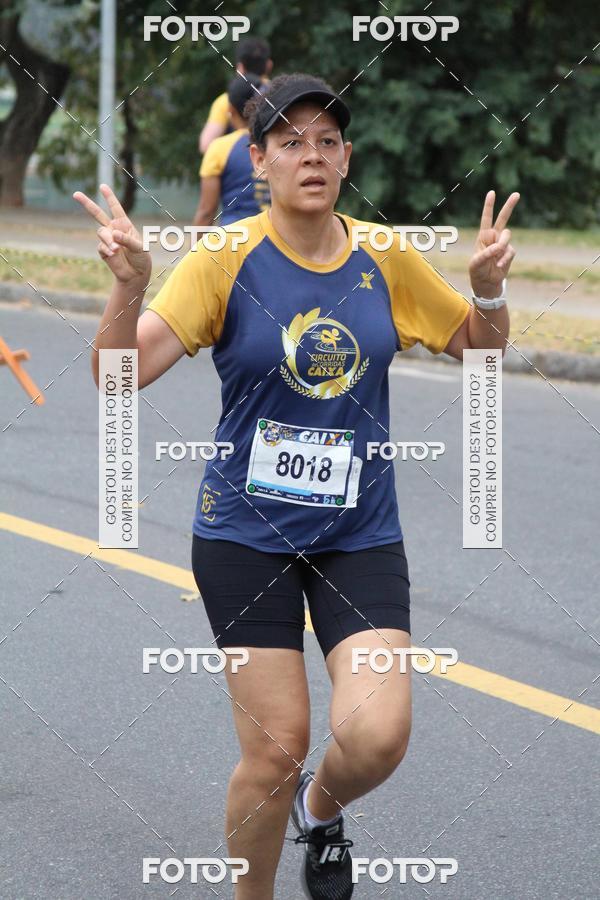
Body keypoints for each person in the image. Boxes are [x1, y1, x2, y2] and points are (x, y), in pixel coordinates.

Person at [74, 72, 518, 900]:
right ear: (258, 160)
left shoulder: (384, 257)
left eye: (325, 141)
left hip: (359, 532)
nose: (310, 155)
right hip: (246, 537)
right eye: (290, 142)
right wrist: (129, 284)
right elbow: (114, 377)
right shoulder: (224, 259)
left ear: (346, 159)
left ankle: (322, 809)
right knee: (274, 748)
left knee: (379, 735)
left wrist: (488, 288)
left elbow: (481, 348)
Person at [193, 74, 270, 227]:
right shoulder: (281, 145)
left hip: (234, 240)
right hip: (277, 240)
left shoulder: (219, 148)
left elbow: (206, 212)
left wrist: (193, 251)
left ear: (230, 110)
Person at [199, 37, 273, 153]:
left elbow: (206, 145)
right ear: (269, 65)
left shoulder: (226, 100)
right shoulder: (280, 94)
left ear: (240, 67)